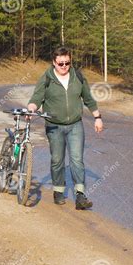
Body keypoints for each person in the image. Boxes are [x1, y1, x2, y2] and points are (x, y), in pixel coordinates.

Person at [27, 46, 103, 210]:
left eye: (67, 63)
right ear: (54, 62)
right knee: (57, 160)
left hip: (75, 125)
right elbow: (37, 97)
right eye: (60, 63)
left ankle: (80, 195)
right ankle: (58, 191)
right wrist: (31, 109)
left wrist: (97, 117)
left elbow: (88, 98)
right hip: (54, 125)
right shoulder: (46, 78)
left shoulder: (78, 77)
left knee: (77, 160)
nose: (64, 67)